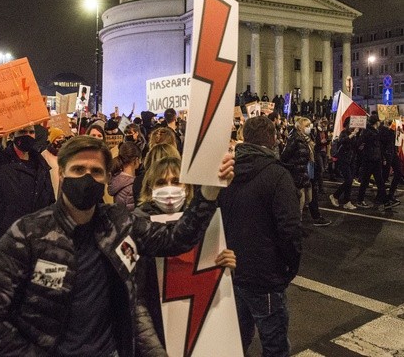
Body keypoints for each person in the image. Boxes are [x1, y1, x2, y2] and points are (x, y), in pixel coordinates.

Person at [0, 135, 234, 356]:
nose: (87, 178)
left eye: (96, 172)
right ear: (62, 173)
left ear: (108, 177)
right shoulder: (28, 234)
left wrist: (208, 194)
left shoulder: (119, 224)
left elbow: (175, 238)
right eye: (78, 170)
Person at [133, 156, 236, 354]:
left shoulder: (205, 222)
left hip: (193, 328)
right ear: (149, 189)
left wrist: (226, 267)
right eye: (162, 182)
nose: (170, 188)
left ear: (187, 188)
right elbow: (137, 298)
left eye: (176, 181)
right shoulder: (137, 227)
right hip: (156, 327)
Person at [218, 116, 302, 357]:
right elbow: (290, 229)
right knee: (274, 344)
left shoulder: (226, 173)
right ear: (273, 139)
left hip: (233, 272)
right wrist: (290, 267)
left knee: (236, 340)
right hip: (265, 275)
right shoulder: (277, 175)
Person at [0, 124, 55, 254]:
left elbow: (49, 198)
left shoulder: (40, 162)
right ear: (12, 135)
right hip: (7, 236)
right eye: (23, 131)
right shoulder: (0, 160)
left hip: (35, 236)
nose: (28, 135)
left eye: (31, 132)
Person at [281, 117, 331, 226]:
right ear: (299, 127)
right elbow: (284, 157)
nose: (309, 128)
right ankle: (296, 225)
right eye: (306, 126)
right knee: (300, 201)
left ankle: (312, 218)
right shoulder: (295, 139)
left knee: (309, 197)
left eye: (309, 125)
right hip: (299, 173)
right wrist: (295, 167)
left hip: (308, 171)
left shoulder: (306, 138)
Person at [355, 115, 399, 210]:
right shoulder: (368, 132)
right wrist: (391, 130)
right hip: (369, 160)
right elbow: (361, 144)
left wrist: (382, 158)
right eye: (378, 121)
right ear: (376, 122)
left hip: (376, 159)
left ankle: (386, 202)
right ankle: (360, 200)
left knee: (380, 182)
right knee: (366, 181)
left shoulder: (376, 131)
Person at [329, 117, 359, 210]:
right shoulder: (344, 132)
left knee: (349, 181)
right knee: (349, 180)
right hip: (343, 159)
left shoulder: (354, 134)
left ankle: (347, 201)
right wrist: (353, 134)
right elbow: (342, 141)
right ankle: (335, 195)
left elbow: (355, 146)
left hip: (351, 160)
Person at [108, 142, 142, 211]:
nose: (140, 162)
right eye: (140, 160)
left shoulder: (117, 178)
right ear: (136, 160)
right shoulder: (131, 186)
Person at [41, 127, 67, 198]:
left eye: (63, 137)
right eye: (58, 138)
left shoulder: (65, 154)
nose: (61, 140)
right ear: (53, 140)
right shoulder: (45, 154)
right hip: (50, 187)